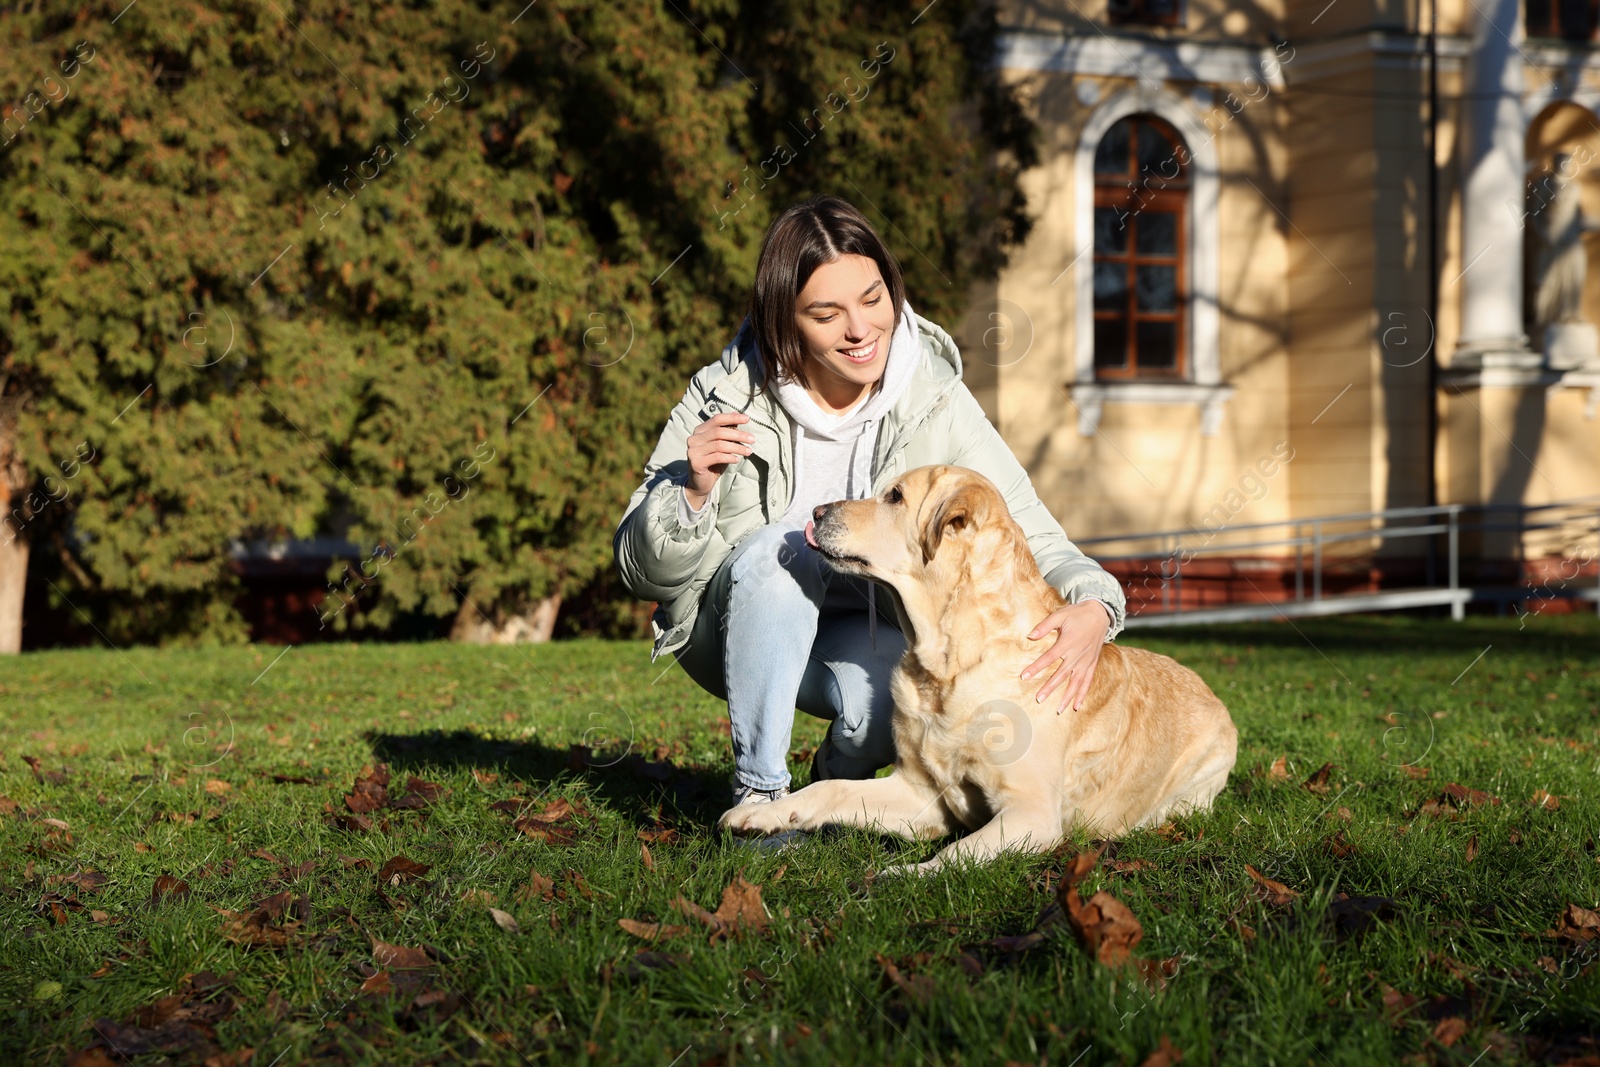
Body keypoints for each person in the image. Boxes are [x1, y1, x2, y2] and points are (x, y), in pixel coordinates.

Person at [613, 194, 1127, 811]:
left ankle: (838, 777)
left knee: (884, 709)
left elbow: (1029, 532)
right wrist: (691, 491)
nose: (860, 331)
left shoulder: (935, 400)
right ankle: (761, 793)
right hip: (737, 623)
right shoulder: (727, 395)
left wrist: (1097, 606)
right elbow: (641, 573)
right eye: (826, 314)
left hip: (869, 628)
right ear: (784, 320)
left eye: (872, 299)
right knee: (787, 552)